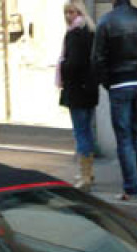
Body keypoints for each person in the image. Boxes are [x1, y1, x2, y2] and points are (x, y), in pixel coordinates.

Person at [93, 0, 137, 200]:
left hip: (119, 83)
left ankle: (131, 187)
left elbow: (97, 59)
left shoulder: (106, 21)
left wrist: (108, 82)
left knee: (124, 138)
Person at [58, 1, 98, 190]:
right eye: (66, 12)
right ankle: (88, 172)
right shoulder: (90, 31)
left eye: (71, 12)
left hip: (77, 90)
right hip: (89, 90)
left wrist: (62, 65)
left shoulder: (74, 34)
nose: (68, 16)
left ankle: (85, 176)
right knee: (87, 131)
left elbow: (73, 64)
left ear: (79, 12)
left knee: (81, 132)